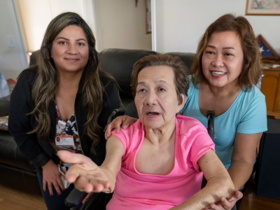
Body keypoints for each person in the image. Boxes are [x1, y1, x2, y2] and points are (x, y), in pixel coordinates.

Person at [104, 14, 267, 210]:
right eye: (210, 52)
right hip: (181, 174)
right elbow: (157, 110)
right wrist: (133, 120)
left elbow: (243, 160)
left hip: (223, 173)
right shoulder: (185, 86)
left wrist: (223, 195)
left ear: (245, 59)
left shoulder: (252, 101)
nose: (216, 62)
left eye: (228, 54)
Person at [58, 54, 235, 210]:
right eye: (142, 90)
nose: (150, 100)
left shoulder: (193, 133)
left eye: (161, 89)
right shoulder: (123, 132)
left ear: (180, 101)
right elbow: (108, 173)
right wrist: (100, 176)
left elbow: (223, 183)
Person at [8, 12, 120, 210]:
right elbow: (18, 128)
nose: (72, 50)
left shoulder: (105, 86)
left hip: (95, 170)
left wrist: (100, 173)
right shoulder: (29, 81)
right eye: (63, 42)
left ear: (90, 51)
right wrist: (44, 164)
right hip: (53, 171)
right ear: (49, 50)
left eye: (80, 43)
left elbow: (115, 134)